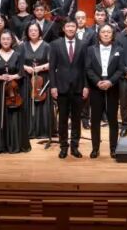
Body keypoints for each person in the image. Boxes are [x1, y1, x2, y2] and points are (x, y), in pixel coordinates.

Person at [0, 30, 30, 154]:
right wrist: (0, 77)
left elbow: (21, 73)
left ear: (12, 41)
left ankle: (14, 144)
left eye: (8, 39)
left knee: (14, 116)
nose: (5, 41)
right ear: (0, 40)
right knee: (0, 116)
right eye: (3, 39)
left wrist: (12, 77)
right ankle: (0, 144)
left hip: (13, 91)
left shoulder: (17, 55)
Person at [49, 20, 87, 158]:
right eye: (68, 26)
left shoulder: (83, 44)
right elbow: (52, 67)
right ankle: (63, 146)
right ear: (64, 29)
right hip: (61, 87)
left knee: (76, 119)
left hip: (78, 87)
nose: (70, 28)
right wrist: (53, 86)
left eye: (73, 26)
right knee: (63, 119)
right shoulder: (55, 44)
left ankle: (74, 147)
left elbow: (85, 67)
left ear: (76, 28)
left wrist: (86, 86)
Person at [86, 24, 123, 158]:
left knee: (113, 119)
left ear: (113, 35)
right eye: (103, 32)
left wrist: (110, 82)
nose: (106, 34)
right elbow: (88, 68)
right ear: (99, 34)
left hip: (113, 87)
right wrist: (97, 82)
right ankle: (95, 148)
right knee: (95, 119)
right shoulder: (90, 49)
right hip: (96, 87)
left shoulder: (119, 49)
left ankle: (113, 148)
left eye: (109, 32)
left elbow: (120, 69)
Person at [21, 22, 53, 143]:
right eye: (31, 30)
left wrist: (41, 68)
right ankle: (29, 130)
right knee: (28, 102)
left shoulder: (47, 46)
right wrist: (25, 67)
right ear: (27, 32)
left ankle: (43, 130)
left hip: (42, 79)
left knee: (42, 104)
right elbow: (17, 62)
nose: (33, 32)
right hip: (27, 79)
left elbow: (52, 63)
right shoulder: (22, 46)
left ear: (39, 32)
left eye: (35, 30)